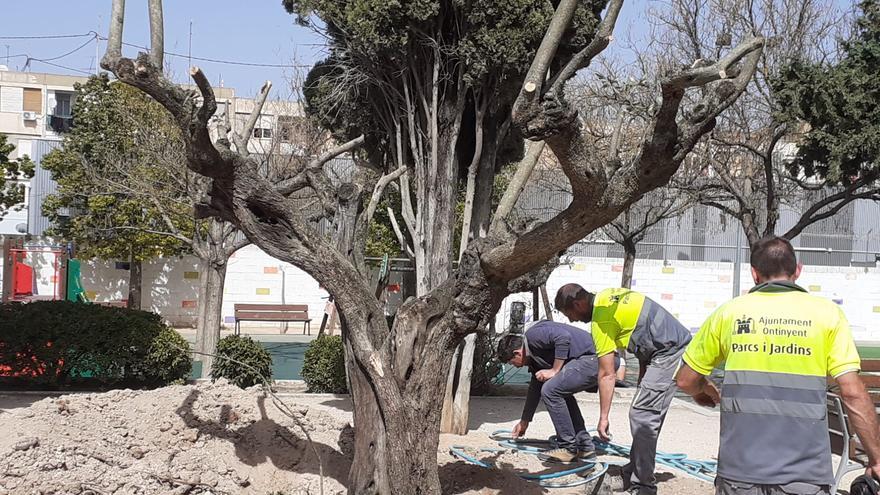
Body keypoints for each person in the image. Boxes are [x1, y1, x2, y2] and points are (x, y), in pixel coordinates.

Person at [676, 236, 880, 495]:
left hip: (740, 473)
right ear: (798, 270)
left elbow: (685, 380)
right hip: (804, 475)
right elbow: (852, 392)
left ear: (754, 273)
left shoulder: (729, 313)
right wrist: (876, 459)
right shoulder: (827, 315)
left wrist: (702, 391)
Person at [555, 284, 700, 494]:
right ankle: (634, 472)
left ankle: (643, 486)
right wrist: (644, 380)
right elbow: (645, 339)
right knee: (643, 415)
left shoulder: (602, 321)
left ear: (578, 304)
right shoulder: (609, 295)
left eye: (570, 314)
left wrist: (603, 418)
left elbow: (606, 374)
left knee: (642, 416)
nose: (571, 320)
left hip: (671, 352)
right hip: (665, 349)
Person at [496, 320, 618, 463]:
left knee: (550, 390)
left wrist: (555, 370)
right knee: (556, 390)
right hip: (593, 359)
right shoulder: (535, 358)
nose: (514, 366)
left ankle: (567, 448)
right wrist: (525, 421)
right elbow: (535, 388)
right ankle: (585, 446)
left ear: (517, 353)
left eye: (511, 362)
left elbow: (563, 337)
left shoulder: (533, 335)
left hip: (599, 358)